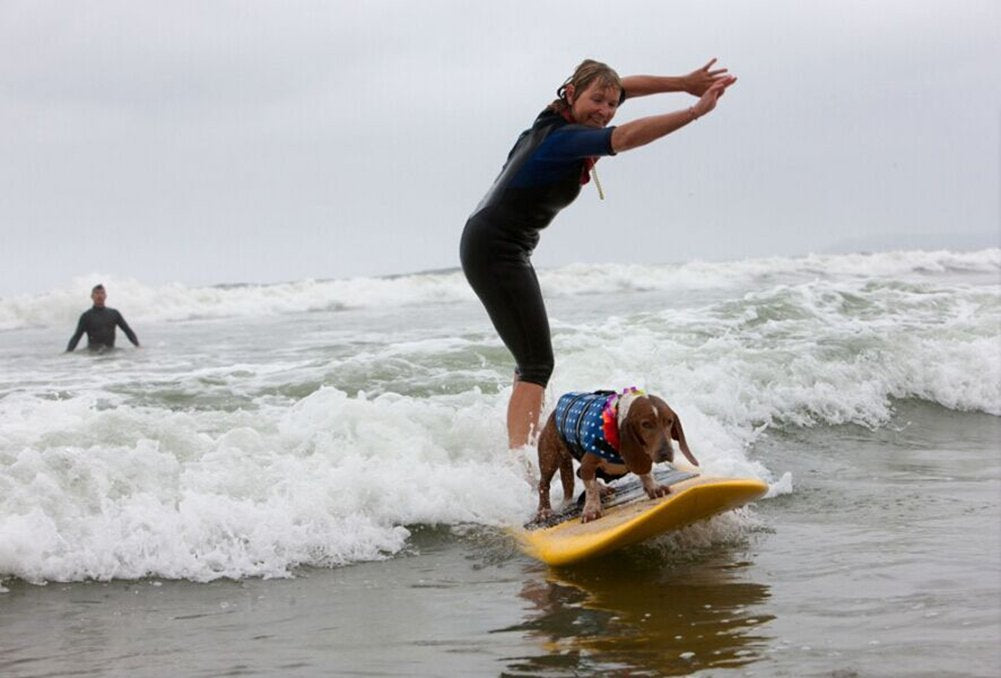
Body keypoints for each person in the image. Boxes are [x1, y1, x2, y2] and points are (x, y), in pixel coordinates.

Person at [460, 58, 735, 451]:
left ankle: (525, 452)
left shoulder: (554, 116)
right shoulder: (561, 139)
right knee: (537, 364)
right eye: (596, 101)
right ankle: (521, 465)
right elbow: (623, 138)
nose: (605, 111)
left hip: (494, 243)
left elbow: (625, 87)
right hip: (495, 249)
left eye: (611, 104)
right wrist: (693, 112)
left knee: (531, 360)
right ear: (571, 94)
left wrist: (682, 82)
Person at [66, 284, 141, 352]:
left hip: (110, 352)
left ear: (105, 296)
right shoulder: (86, 316)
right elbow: (76, 337)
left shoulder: (114, 313)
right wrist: (68, 352)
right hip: (93, 354)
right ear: (92, 296)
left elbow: (127, 331)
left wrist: (138, 346)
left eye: (102, 293)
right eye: (97, 293)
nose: (100, 296)